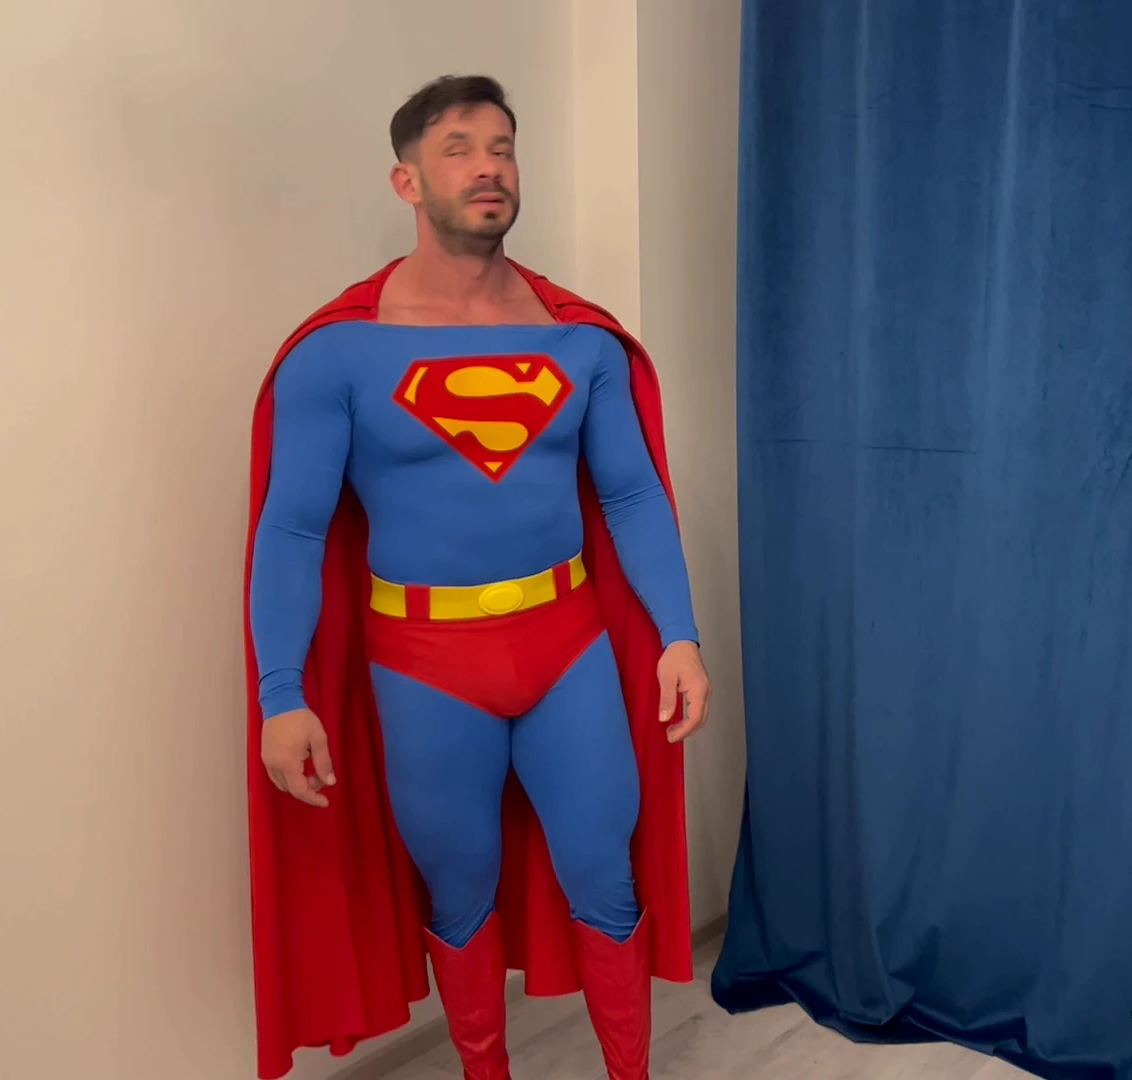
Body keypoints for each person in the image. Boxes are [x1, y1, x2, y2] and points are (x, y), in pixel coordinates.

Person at [240, 74, 711, 1080]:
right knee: (458, 894)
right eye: (458, 149)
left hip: (567, 645)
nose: (488, 167)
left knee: (605, 878)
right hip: (423, 663)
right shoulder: (339, 353)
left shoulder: (580, 340)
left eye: (501, 147)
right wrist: (281, 694)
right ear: (407, 181)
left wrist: (680, 632)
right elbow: (294, 527)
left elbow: (630, 494)